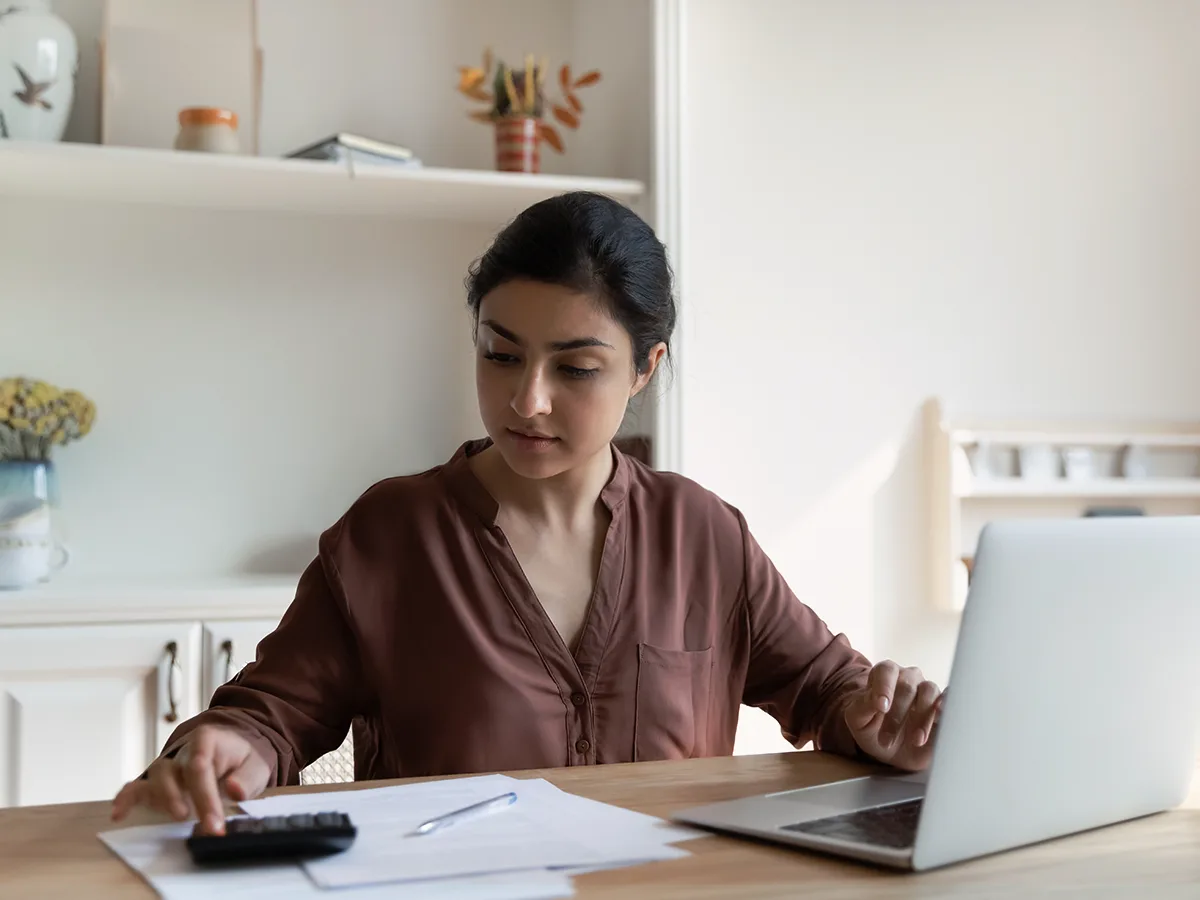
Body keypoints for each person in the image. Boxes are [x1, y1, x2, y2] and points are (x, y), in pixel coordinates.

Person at [111, 191, 943, 836]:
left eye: (575, 368)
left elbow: (828, 688)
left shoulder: (704, 535)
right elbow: (271, 714)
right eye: (499, 354)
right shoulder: (392, 535)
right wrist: (222, 751)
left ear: (645, 369)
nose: (527, 399)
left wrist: (881, 723)